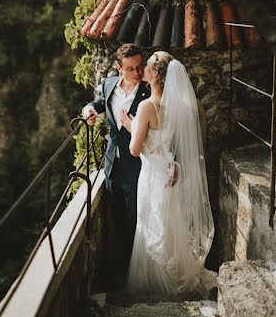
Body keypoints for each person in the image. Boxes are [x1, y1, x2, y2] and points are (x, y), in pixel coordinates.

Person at [121, 51, 216, 296]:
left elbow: (134, 149)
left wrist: (130, 126)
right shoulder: (177, 107)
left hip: (153, 174)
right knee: (170, 224)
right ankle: (174, 273)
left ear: (155, 74)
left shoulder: (146, 106)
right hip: (169, 172)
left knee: (150, 223)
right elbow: (168, 145)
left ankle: (156, 282)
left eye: (148, 66)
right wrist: (175, 165)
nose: (143, 69)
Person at [82, 43, 150, 269]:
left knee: (136, 218)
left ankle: (136, 269)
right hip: (112, 164)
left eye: (140, 66)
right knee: (117, 218)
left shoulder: (150, 90)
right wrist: (90, 109)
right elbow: (101, 104)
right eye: (131, 68)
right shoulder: (109, 84)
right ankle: (121, 267)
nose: (138, 72)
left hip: (139, 165)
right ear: (119, 68)